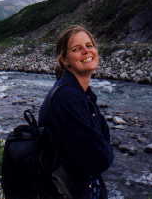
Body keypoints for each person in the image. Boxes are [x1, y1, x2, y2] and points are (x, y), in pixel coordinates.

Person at [38, 25, 114, 199]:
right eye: (76, 49)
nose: (86, 52)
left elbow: (100, 145)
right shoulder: (68, 97)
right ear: (65, 60)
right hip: (72, 191)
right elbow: (100, 157)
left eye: (89, 45)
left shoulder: (80, 92)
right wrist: (105, 150)